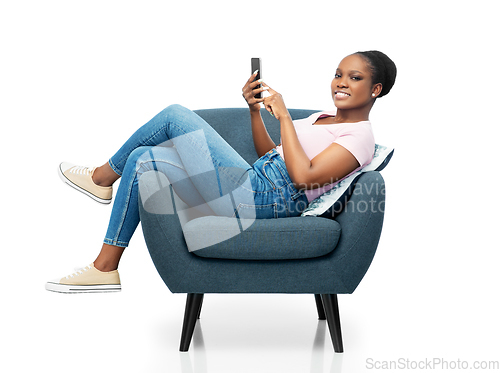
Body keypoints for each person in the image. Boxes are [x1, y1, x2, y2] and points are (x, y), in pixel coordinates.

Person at [45, 50, 397, 293]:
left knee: (172, 117)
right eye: (338, 74)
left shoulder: (360, 136)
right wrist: (255, 111)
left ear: (375, 89)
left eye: (354, 77)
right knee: (143, 157)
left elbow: (306, 178)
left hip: (270, 199)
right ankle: (105, 266)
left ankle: (101, 181)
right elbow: (269, 153)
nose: (341, 82)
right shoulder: (322, 117)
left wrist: (286, 116)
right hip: (256, 179)